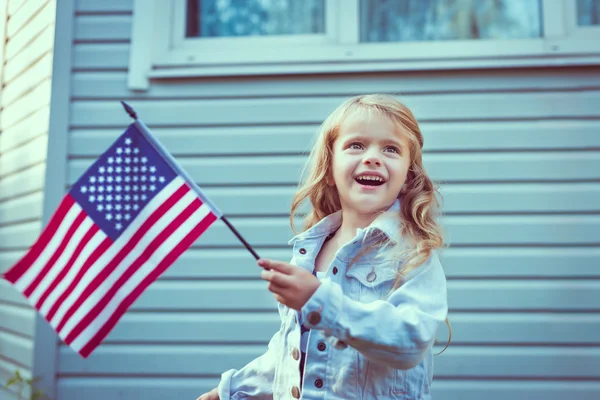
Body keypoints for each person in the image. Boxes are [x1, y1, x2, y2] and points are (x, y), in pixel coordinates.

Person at [198, 94, 451, 400]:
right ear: (330, 170)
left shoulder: (412, 254)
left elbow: (409, 341)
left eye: (391, 149)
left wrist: (320, 302)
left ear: (408, 177)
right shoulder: (309, 252)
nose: (372, 157)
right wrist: (231, 390)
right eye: (356, 145)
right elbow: (288, 355)